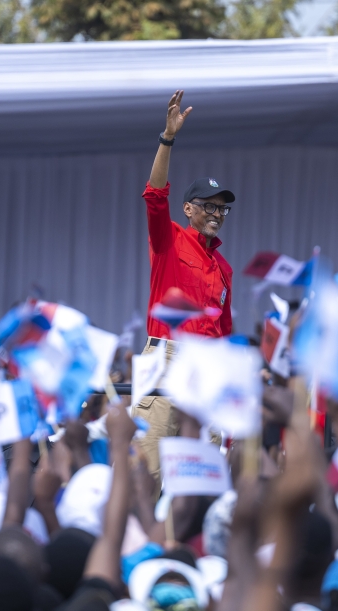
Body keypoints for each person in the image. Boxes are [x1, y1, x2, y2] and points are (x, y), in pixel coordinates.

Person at [134, 89, 236, 480]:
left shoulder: (224, 267)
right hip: (167, 358)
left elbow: (223, 332)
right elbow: (154, 195)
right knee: (149, 470)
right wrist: (168, 138)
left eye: (222, 208)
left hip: (207, 367)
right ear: (189, 209)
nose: (217, 213)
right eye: (209, 206)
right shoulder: (169, 239)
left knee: (200, 476)